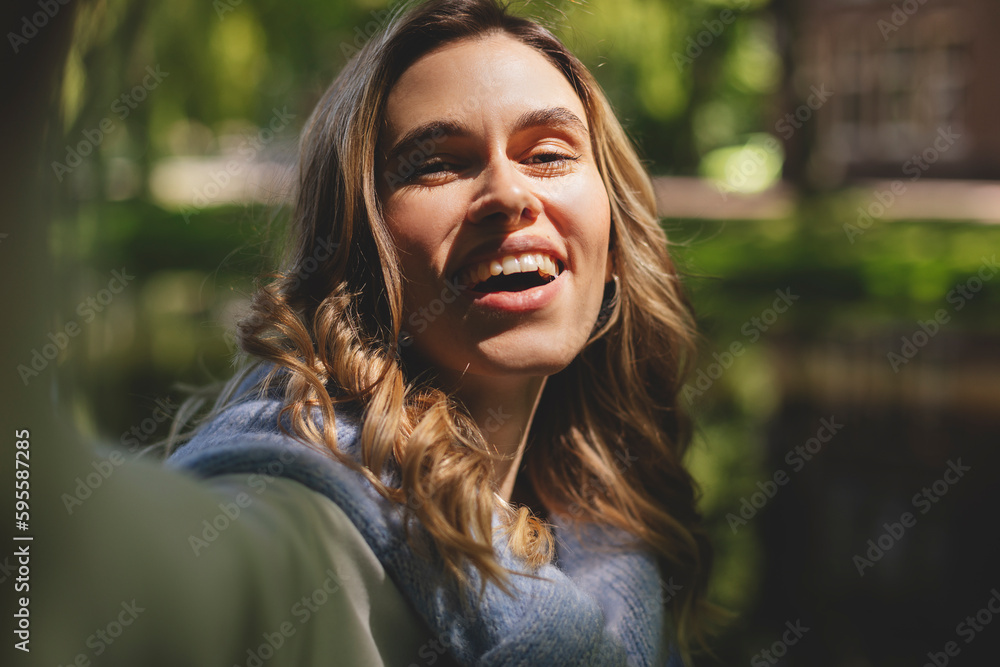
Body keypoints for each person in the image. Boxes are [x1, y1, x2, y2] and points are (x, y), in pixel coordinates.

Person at [19, 1, 716, 666]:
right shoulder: (311, 537)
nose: (508, 194)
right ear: (355, 255)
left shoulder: (616, 556)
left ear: (614, 240)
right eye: (437, 162)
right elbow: (59, 560)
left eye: (548, 154)